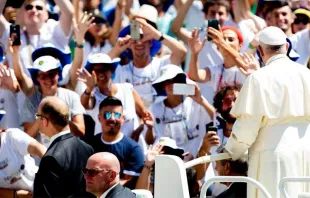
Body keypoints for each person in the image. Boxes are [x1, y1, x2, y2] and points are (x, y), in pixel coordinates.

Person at [225, 26, 310, 198]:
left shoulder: (258, 78)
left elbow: (246, 129)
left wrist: (231, 151)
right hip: (305, 152)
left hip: (271, 157)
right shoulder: (306, 73)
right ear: (286, 47)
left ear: (260, 51)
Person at [108, 9, 187, 107]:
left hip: (160, 119)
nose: (139, 43)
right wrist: (116, 49)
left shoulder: (162, 65)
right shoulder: (121, 71)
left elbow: (181, 52)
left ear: (150, 42)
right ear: (129, 44)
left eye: (143, 38)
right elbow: (94, 71)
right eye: (135, 38)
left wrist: (156, 34)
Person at [146, 64, 215, 157]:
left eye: (175, 80)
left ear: (182, 82)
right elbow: (149, 141)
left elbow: (214, 117)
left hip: (196, 158)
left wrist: (200, 101)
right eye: (166, 81)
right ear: (162, 85)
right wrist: (149, 128)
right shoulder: (154, 108)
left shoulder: (195, 101)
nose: (170, 85)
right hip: (169, 160)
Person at [33, 96, 94, 197]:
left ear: (45, 121)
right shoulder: (88, 148)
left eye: (37, 116)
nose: (37, 120)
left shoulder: (50, 158)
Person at [0, 0, 73, 71]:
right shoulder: (13, 34)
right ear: (23, 14)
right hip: (20, 83)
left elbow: (69, 13)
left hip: (54, 82)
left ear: (46, 14)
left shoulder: (54, 30)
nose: (34, 10)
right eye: (29, 7)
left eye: (39, 8)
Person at [89, 96, 144, 189]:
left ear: (123, 118)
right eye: (107, 114)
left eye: (117, 115)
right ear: (99, 118)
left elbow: (128, 181)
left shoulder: (133, 148)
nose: (112, 119)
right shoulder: (89, 145)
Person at [188, 26, 257, 99]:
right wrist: (194, 54)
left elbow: (244, 65)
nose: (226, 42)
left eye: (230, 39)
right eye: (223, 39)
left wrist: (221, 42)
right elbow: (195, 76)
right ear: (217, 48)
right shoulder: (216, 70)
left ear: (240, 46)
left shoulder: (249, 62)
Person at [0, 111, 46, 198]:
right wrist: (15, 195)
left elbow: (37, 148)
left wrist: (53, 164)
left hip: (40, 188)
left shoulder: (11, 136)